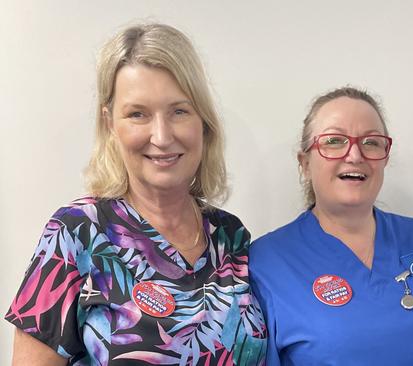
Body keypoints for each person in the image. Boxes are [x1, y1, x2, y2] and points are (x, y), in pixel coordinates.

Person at [5, 23, 266, 365]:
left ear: (203, 121)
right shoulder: (75, 234)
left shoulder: (230, 236)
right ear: (110, 123)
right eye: (138, 114)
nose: (161, 135)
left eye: (179, 111)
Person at [249, 87, 413, 365]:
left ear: (385, 158)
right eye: (334, 140)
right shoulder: (267, 262)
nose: (355, 155)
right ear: (304, 163)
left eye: (371, 142)